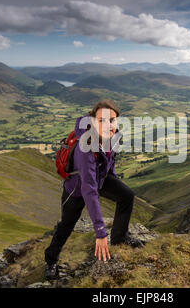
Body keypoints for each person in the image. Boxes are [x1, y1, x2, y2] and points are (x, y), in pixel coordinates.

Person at [44, 100, 144, 280]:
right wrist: (100, 232)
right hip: (76, 188)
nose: (108, 125)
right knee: (66, 225)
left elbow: (110, 160)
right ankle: (50, 260)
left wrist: (111, 176)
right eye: (102, 120)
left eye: (112, 120)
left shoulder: (113, 135)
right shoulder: (85, 146)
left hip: (100, 178)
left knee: (126, 195)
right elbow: (88, 190)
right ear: (92, 121)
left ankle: (120, 238)